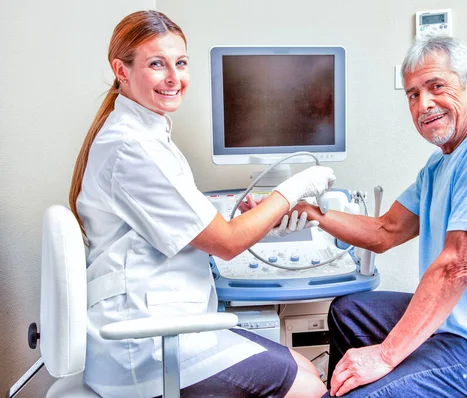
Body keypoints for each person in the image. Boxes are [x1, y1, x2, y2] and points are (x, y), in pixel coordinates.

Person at [69, 10, 333, 398]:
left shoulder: (144, 133)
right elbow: (226, 244)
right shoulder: (133, 147)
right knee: (307, 386)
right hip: (148, 350)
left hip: (169, 327)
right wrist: (293, 190)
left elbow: (183, 221)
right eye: (157, 64)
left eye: (181, 63)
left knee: (305, 366)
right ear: (121, 71)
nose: (174, 77)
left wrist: (253, 215)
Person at [293, 35, 467, 397]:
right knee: (349, 311)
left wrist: (385, 357)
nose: (424, 104)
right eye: (413, 94)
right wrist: (310, 213)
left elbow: (457, 267)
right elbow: (384, 230)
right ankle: (345, 386)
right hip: (458, 322)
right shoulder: (440, 164)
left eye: (436, 86)